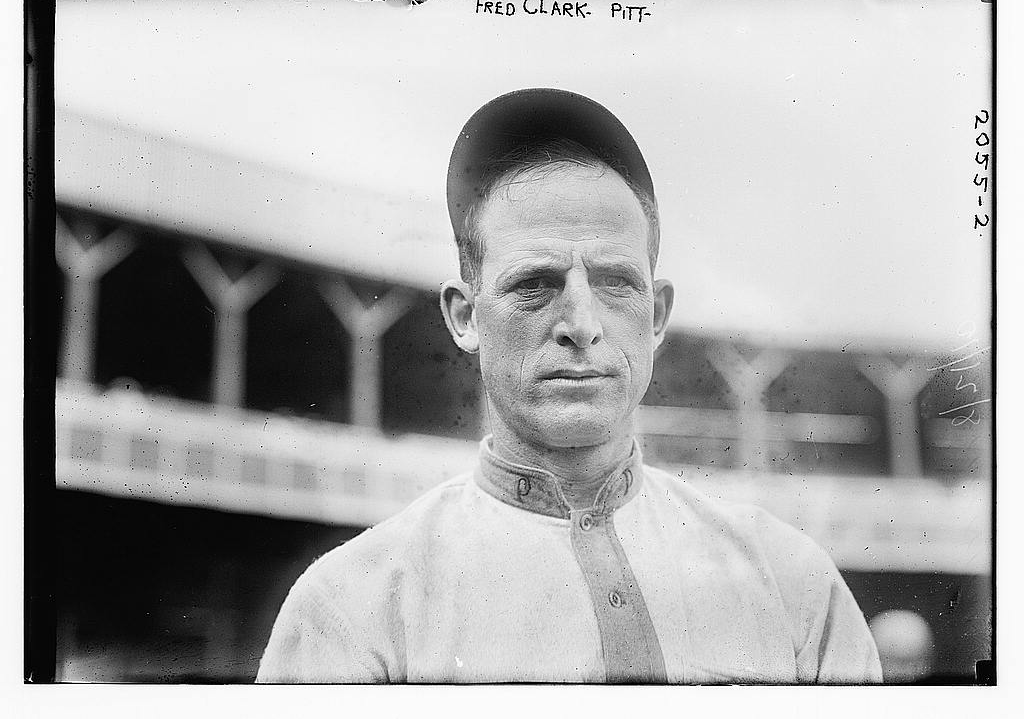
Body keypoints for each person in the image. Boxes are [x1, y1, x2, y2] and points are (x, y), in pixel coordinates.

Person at [256, 88, 882, 684]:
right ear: (465, 316)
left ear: (657, 315)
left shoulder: (793, 584)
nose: (581, 326)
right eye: (535, 284)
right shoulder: (349, 609)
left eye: (615, 283)